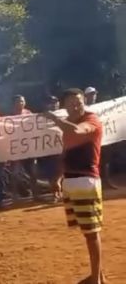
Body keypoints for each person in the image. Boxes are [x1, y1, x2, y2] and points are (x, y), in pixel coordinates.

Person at [44, 88, 106, 284]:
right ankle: (99, 277)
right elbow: (66, 153)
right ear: (65, 106)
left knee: (91, 232)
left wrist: (55, 119)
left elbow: (79, 130)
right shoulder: (71, 124)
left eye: (78, 102)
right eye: (71, 103)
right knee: (88, 231)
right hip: (73, 180)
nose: (76, 106)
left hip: (86, 180)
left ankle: (95, 279)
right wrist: (58, 177)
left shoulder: (91, 120)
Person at [84, 87, 117, 190]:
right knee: (91, 162)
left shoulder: (102, 107)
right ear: (86, 96)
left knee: (105, 160)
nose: (93, 96)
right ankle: (93, 184)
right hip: (89, 141)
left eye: (94, 94)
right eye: (91, 94)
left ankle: (106, 181)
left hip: (103, 139)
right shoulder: (83, 108)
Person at [10, 95, 40, 201]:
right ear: (14, 104)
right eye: (18, 102)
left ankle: (35, 195)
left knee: (33, 173)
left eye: (22, 101)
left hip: (29, 148)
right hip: (17, 149)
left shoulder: (29, 114)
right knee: (14, 174)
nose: (20, 103)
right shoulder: (9, 117)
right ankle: (14, 195)